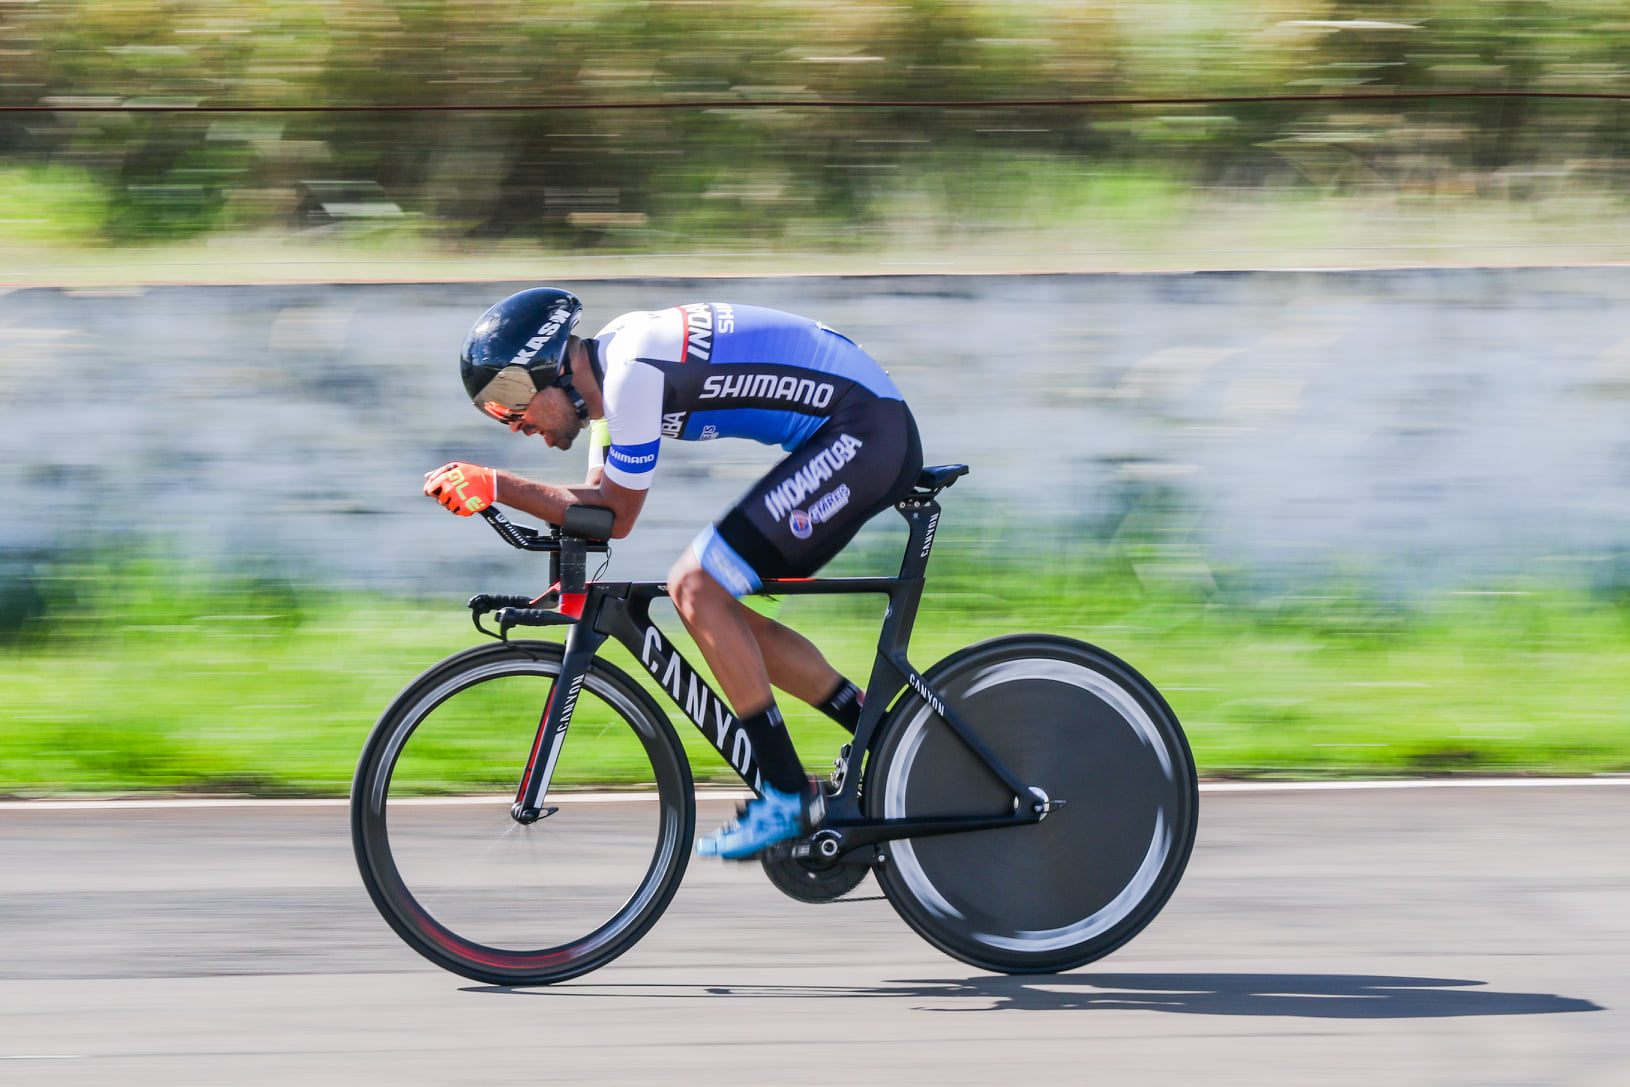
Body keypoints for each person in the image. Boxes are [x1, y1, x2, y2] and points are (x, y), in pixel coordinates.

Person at [423, 287, 923, 859]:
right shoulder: (610, 387)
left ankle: (786, 793)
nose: (511, 422)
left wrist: (499, 484)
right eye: (494, 409)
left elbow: (618, 511)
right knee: (731, 622)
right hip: (857, 428)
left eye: (509, 398)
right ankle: (895, 739)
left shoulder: (632, 373)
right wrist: (557, 559)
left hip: (865, 430)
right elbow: (596, 514)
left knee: (695, 587)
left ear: (550, 365)